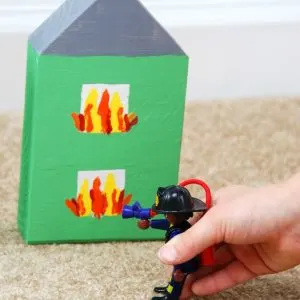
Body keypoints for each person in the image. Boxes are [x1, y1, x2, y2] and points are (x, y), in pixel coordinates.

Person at [157, 172, 300, 299]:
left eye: (166, 214)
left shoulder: (179, 231)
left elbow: (179, 241)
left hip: (185, 263)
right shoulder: (174, 225)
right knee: (175, 278)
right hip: (183, 262)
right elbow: (164, 225)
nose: (165, 216)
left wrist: (182, 264)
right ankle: (169, 289)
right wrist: (149, 224)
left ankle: (171, 296)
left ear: (175, 214)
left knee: (177, 279)